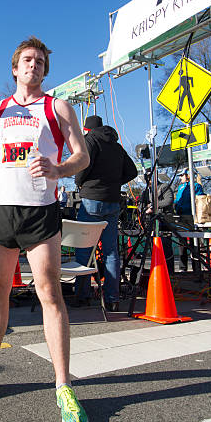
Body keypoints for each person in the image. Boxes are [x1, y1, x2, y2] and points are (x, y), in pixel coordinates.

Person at [0, 36, 90, 422]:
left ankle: (63, 384)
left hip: (39, 211)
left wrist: (59, 169)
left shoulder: (57, 106)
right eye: (28, 60)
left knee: (49, 293)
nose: (34, 65)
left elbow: (83, 154)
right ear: (14, 68)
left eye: (41, 62)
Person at [74, 115, 137, 311]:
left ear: (87, 129)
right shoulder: (116, 146)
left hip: (92, 200)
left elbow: (83, 165)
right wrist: (115, 183)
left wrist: (79, 182)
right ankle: (113, 299)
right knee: (111, 252)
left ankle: (82, 296)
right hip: (112, 202)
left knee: (84, 250)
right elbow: (132, 171)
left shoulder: (90, 140)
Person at [174, 168, 204, 272]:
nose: (180, 177)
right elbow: (178, 200)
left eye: (182, 175)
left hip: (192, 217)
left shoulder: (196, 186)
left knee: (193, 242)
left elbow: (199, 200)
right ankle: (183, 268)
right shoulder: (181, 187)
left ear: (188, 175)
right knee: (182, 243)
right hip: (181, 217)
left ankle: (197, 267)